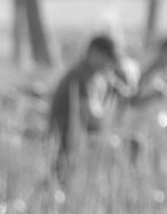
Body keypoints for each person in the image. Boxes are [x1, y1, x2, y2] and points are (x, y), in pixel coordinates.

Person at [46, 33, 133, 180]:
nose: (111, 64)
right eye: (109, 58)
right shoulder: (80, 76)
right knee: (124, 147)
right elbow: (91, 117)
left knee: (132, 144)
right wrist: (114, 120)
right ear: (94, 53)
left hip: (84, 138)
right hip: (69, 141)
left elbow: (129, 96)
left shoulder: (98, 76)